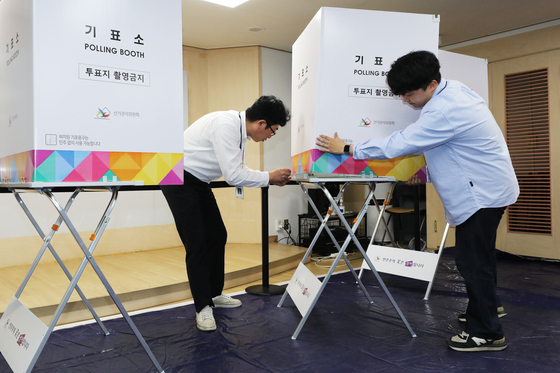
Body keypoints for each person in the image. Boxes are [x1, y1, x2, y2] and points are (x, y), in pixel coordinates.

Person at [316, 51, 519, 352]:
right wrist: (425, 170)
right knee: (480, 257)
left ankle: (488, 332)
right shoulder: (455, 90)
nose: (406, 101)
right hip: (489, 187)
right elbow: (453, 146)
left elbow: (402, 142)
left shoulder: (444, 110)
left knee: (471, 261)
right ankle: (486, 309)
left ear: (432, 84)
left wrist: (347, 146)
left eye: (409, 94)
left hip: (482, 194)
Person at [161, 95, 292, 332]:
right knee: (197, 242)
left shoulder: (237, 130)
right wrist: (268, 177)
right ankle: (202, 307)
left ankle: (214, 294)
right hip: (178, 178)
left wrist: (266, 176)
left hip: (197, 181)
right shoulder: (226, 125)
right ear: (261, 124)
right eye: (273, 131)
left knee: (217, 235)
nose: (270, 136)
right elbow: (233, 176)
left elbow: (236, 169)